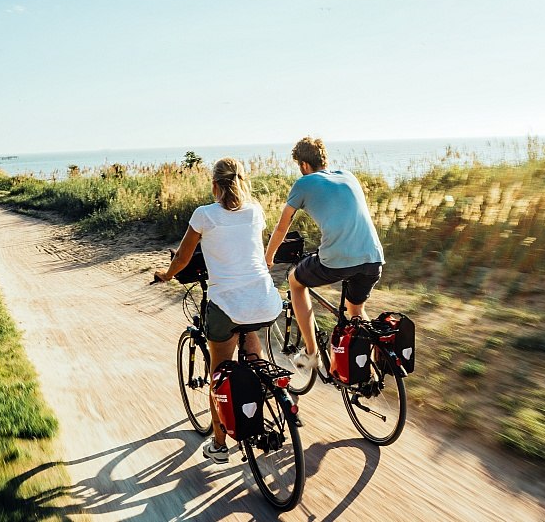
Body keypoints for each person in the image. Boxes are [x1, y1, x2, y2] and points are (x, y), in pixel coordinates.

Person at [155, 158, 282, 464]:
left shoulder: (204, 215)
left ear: (214, 185)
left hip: (227, 304)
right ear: (243, 181)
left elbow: (184, 258)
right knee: (250, 334)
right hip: (265, 300)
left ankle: (219, 444)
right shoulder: (256, 211)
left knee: (219, 372)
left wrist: (167, 275)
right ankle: (263, 386)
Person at [264, 136, 384, 371]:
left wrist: (268, 257)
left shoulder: (304, 183)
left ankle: (311, 353)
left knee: (295, 282)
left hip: (338, 259)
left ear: (304, 165)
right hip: (373, 257)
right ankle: (376, 357)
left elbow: (281, 228)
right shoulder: (349, 176)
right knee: (356, 309)